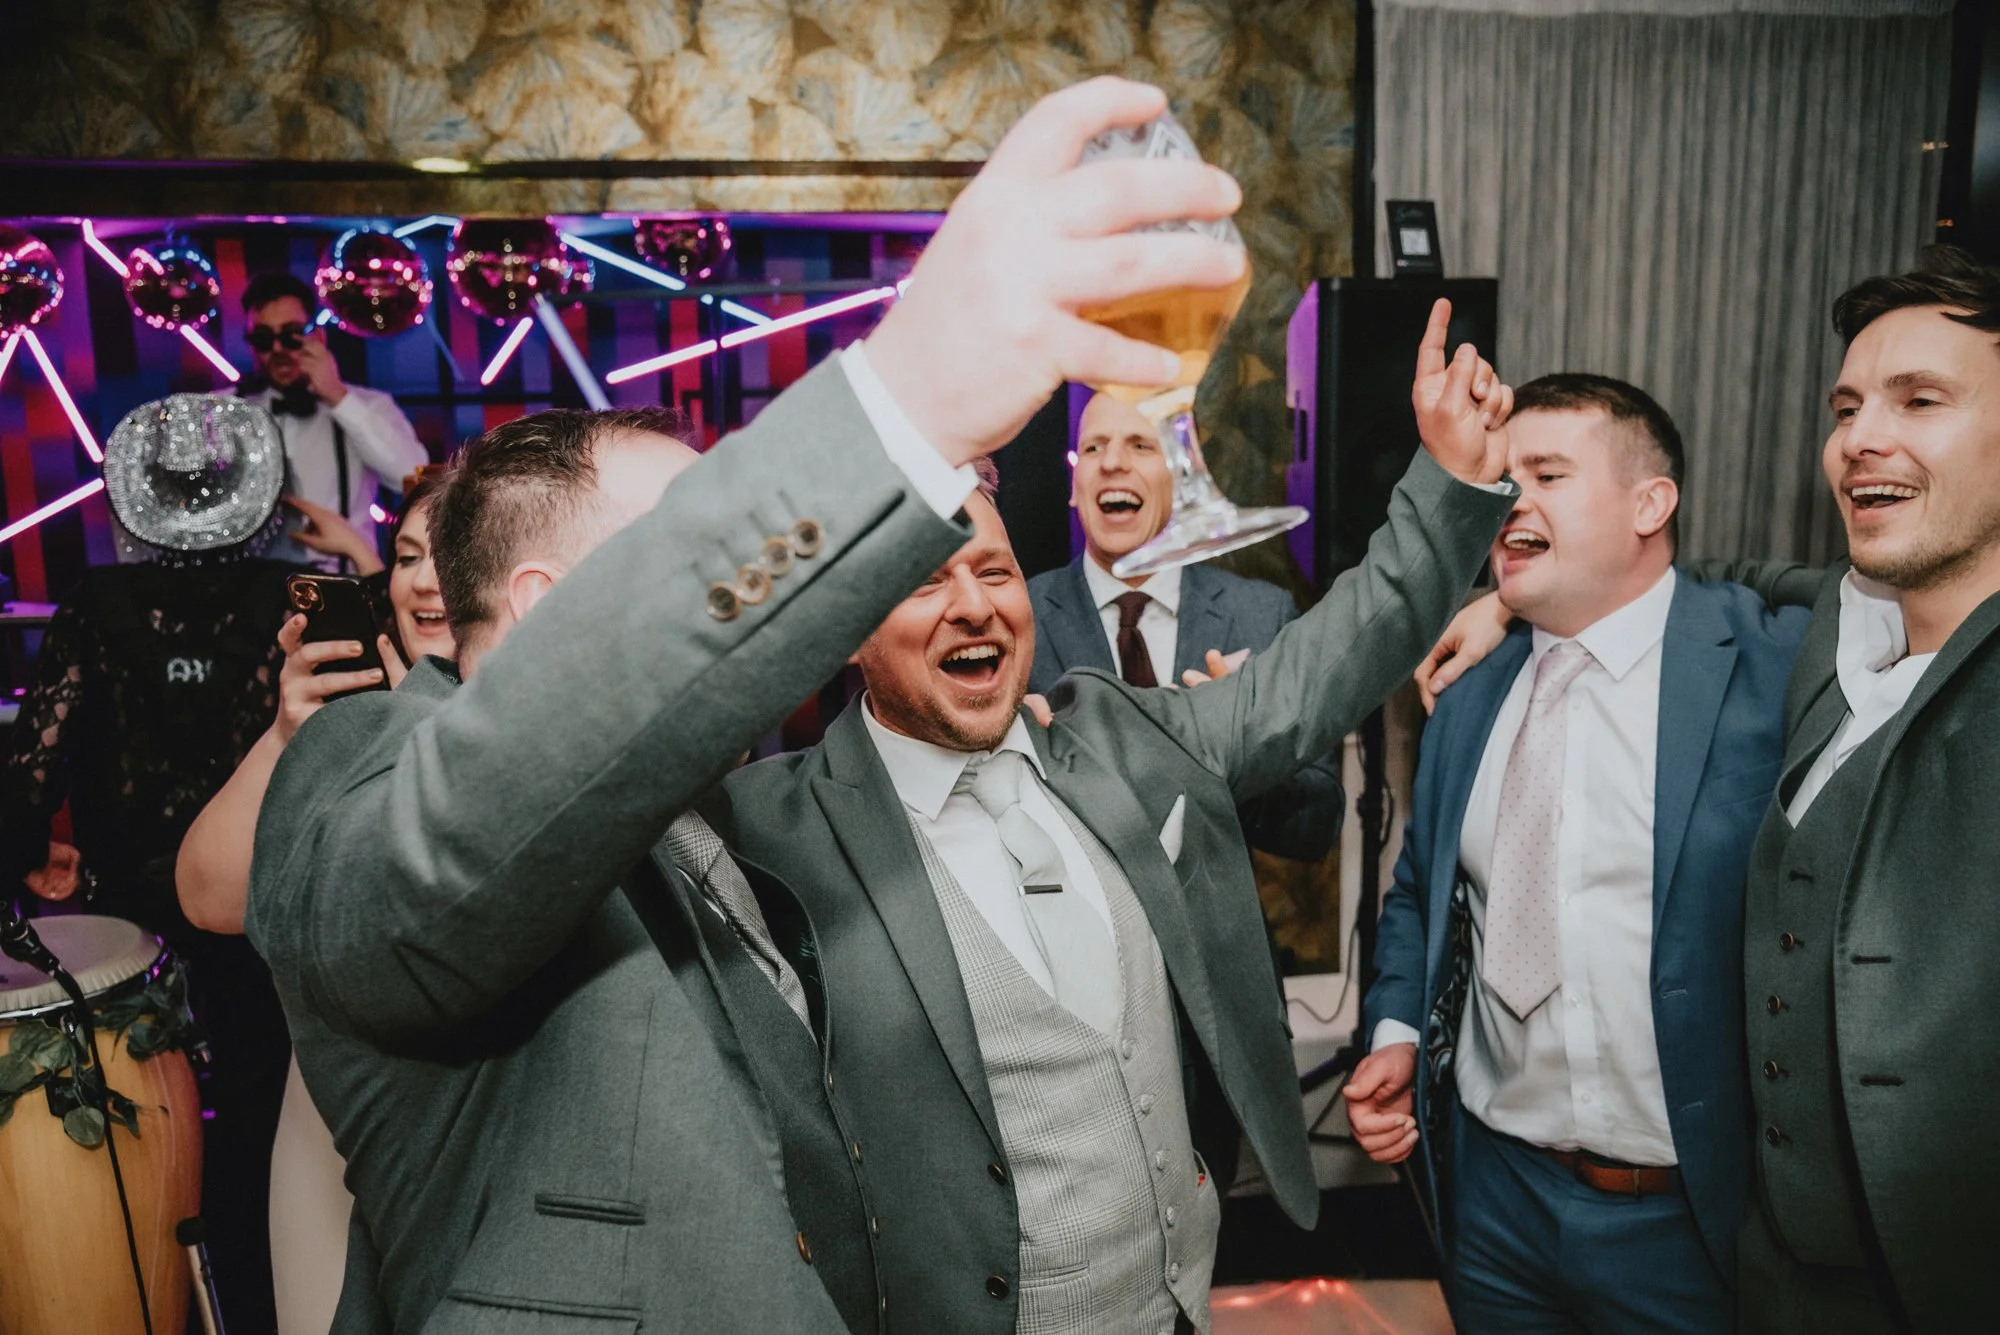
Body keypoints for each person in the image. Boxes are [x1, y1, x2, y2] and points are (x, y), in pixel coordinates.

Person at [244, 77, 1258, 1334]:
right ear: (557, 604)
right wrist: (900, 405)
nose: (732, 589)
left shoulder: (704, 811)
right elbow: (469, 826)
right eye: (684, 541)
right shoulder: (365, 782)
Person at [699, 301, 1516, 1333]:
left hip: (1180, 1301)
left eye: (992, 570)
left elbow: (1325, 665)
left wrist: (1447, 485)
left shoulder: (1119, 735)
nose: (972, 604)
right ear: (845, 634)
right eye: (919, 582)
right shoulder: (769, 831)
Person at [1347, 374, 1811, 1333]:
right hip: (1495, 1200)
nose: (1509, 497)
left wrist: (1509, 603)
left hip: (1689, 1218)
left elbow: (1892, 583)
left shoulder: (1770, 667)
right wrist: (1393, 1032)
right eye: (1503, 476)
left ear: (1652, 504)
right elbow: (1422, 889)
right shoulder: (1467, 691)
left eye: (1547, 473)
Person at [1726, 246, 2000, 1334]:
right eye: (1845, 408)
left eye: (1918, 400)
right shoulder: (1840, 638)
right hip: (1777, 1274)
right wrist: (1514, 603)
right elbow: (1737, 576)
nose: (1858, 439)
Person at [1, 394, 304, 1335]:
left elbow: (29, 770)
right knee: (263, 1137)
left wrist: (22, 882)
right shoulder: (293, 600)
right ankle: (262, 1305)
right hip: (265, 911)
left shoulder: (95, 606)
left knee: (136, 1142)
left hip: (135, 925)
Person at [178, 480, 445, 1335]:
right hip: (329, 1120)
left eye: (450, 552)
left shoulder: (556, 716)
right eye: (405, 558)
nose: (425, 581)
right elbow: (209, 897)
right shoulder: (338, 708)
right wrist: (291, 733)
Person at [1026, 390, 1345, 863]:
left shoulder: (1259, 615)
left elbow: (1316, 825)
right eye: (1093, 447)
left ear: (1183, 472)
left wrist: (1245, 747)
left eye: (1140, 444)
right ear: (1074, 485)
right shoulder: (1020, 617)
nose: (1112, 462)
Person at [236, 271, 428, 568]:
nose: (277, 350)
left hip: (344, 586)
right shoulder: (223, 411)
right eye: (263, 340)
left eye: (290, 336)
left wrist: (338, 398)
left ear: (318, 336)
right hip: (248, 593)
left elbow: (411, 477)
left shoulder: (370, 406)